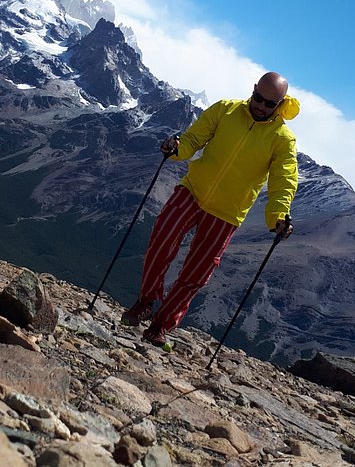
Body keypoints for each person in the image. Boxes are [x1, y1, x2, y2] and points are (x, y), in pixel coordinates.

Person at [122, 71, 300, 347]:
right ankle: (146, 302)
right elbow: (193, 140)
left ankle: (161, 326)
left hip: (228, 211)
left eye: (269, 104)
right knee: (162, 237)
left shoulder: (282, 139)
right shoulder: (225, 110)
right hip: (193, 189)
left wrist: (278, 217)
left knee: (197, 272)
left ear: (280, 104)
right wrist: (177, 149)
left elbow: (283, 181)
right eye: (258, 98)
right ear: (252, 90)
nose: (261, 106)